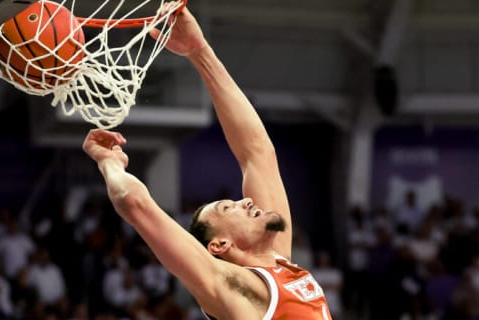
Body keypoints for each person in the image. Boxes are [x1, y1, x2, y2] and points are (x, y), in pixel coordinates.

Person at [82, 8, 332, 320]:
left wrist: (200, 52)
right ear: (220, 245)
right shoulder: (234, 286)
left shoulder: (279, 261)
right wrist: (109, 162)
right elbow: (135, 204)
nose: (246, 201)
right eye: (228, 207)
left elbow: (257, 153)